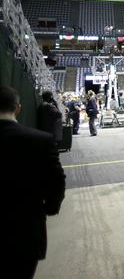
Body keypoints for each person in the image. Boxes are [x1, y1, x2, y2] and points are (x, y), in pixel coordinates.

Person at [0, 86, 65, 277]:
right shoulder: (40, 141)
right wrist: (49, 208)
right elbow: (57, 182)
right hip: (25, 229)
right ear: (18, 108)